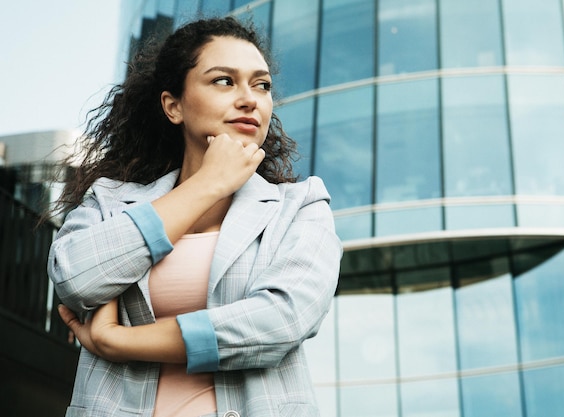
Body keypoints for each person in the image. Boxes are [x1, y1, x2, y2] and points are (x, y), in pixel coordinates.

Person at [47, 16, 342, 417]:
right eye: (224, 80)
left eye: (262, 85)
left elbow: (280, 321)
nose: (249, 99)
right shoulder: (110, 201)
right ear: (173, 106)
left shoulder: (301, 207)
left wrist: (120, 342)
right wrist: (206, 186)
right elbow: (75, 278)